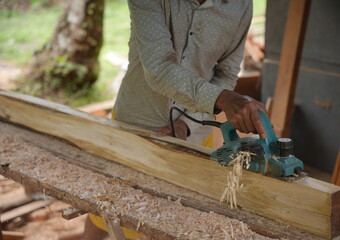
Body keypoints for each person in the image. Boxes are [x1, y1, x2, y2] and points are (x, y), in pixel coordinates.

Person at [82, 0, 267, 239]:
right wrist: (225, 100)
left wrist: (188, 123)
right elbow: (159, 68)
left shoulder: (239, 5)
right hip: (137, 120)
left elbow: (227, 72)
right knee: (104, 207)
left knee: (169, 220)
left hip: (195, 130)